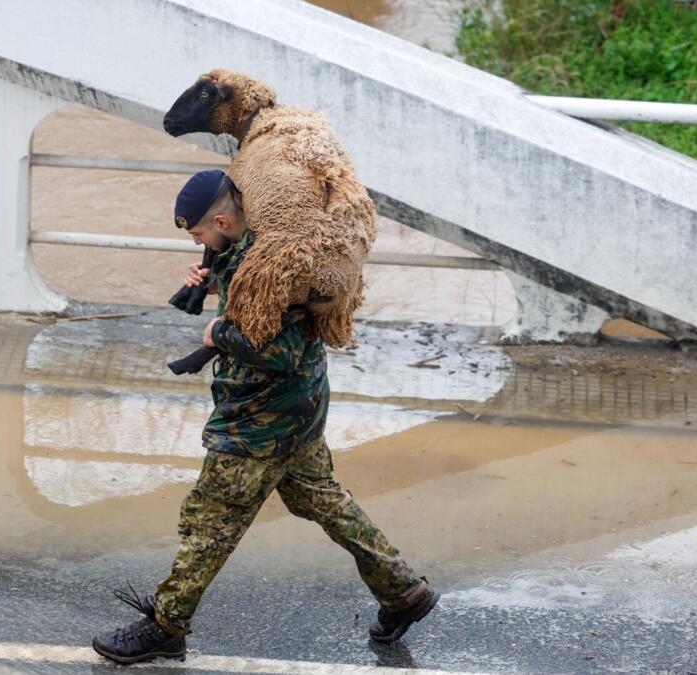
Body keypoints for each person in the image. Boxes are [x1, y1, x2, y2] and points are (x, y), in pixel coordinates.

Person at [91, 170, 438, 665]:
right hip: (300, 408)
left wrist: (217, 333)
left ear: (223, 219)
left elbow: (278, 353)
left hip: (261, 419)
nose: (199, 243)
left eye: (199, 236)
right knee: (325, 503)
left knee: (210, 521)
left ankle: (166, 625)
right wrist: (212, 277)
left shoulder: (273, 266)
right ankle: (404, 592)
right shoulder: (254, 245)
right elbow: (256, 307)